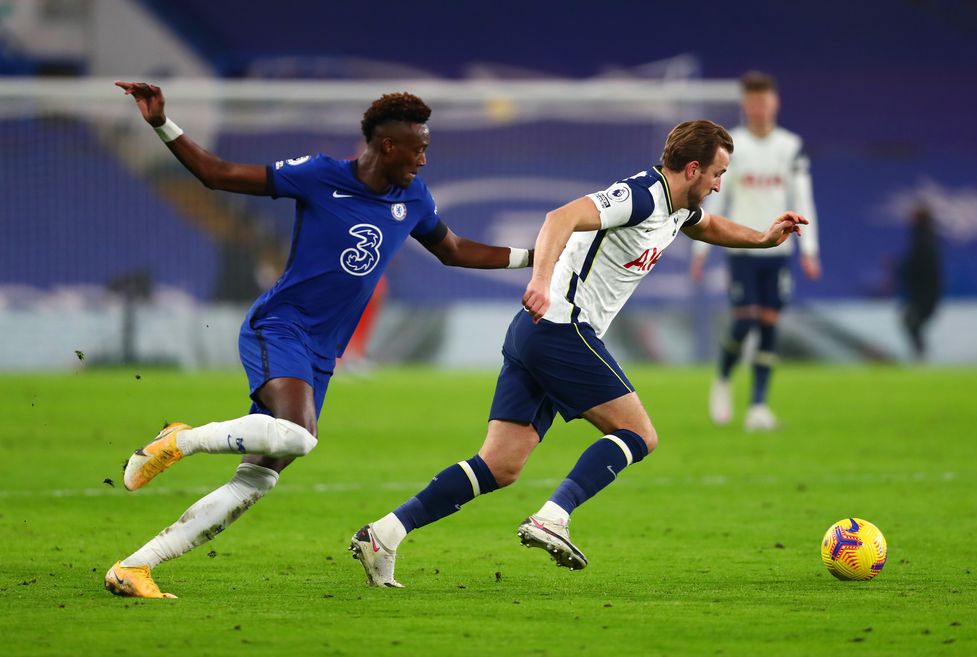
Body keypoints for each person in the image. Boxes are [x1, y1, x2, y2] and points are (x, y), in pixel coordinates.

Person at [105, 81, 534, 599]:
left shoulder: (414, 198)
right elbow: (217, 175)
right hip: (280, 325)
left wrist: (538, 256)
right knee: (299, 436)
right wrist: (160, 123)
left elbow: (455, 250)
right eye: (417, 147)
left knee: (259, 480)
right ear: (387, 146)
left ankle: (136, 567)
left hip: (321, 351)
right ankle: (179, 440)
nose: (424, 157)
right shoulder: (319, 175)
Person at [349, 119, 808, 587]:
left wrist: (762, 238)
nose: (718, 184)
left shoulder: (677, 208)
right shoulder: (642, 194)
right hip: (560, 326)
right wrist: (540, 281)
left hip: (535, 334)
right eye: (717, 173)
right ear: (693, 169)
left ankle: (383, 534)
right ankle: (553, 517)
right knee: (639, 433)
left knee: (500, 465)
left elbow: (707, 226)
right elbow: (559, 219)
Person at [689, 71, 821, 431]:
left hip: (778, 251)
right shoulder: (733, 148)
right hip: (743, 246)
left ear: (774, 103)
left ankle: (758, 406)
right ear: (745, 105)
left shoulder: (790, 146)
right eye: (752, 102)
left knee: (769, 325)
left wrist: (809, 249)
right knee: (745, 320)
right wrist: (699, 254)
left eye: (764, 101)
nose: (759, 108)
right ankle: (723, 379)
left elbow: (802, 196)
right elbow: (714, 196)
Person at [898, 203, 942, 360]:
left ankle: (921, 355)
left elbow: (921, 268)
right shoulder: (926, 237)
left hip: (923, 294)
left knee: (911, 323)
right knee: (910, 323)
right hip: (926, 293)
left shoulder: (924, 239)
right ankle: (920, 354)